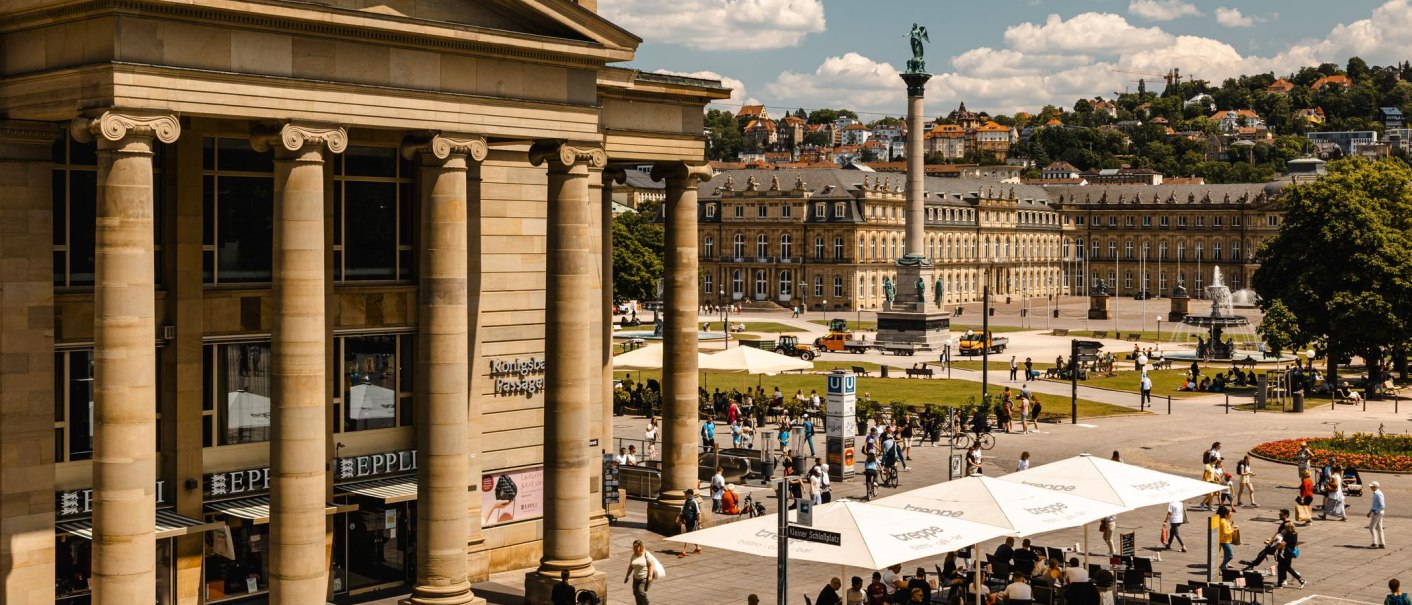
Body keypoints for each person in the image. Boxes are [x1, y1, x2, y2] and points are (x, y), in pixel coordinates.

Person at [624, 540, 656, 605]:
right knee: (635, 593)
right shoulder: (634, 555)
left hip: (644, 578)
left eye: (636, 547)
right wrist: (627, 576)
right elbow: (631, 566)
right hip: (636, 578)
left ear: (640, 546)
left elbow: (651, 565)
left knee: (641, 592)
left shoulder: (646, 554)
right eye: (634, 547)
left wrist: (650, 576)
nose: (635, 549)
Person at [1274, 521, 1305, 589]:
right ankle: (1300, 579)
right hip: (1290, 553)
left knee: (1280, 567)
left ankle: (1279, 584)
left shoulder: (1287, 535)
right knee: (1287, 567)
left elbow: (1282, 544)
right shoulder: (1295, 534)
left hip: (1285, 554)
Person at [675, 489, 702, 557]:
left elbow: (698, 512)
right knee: (691, 535)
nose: (684, 495)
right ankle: (698, 547)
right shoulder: (687, 501)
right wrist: (679, 517)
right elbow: (683, 510)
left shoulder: (694, 502)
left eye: (685, 494)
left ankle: (684, 551)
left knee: (688, 536)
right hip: (687, 521)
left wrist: (699, 523)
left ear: (689, 494)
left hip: (693, 522)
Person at [1217, 505, 1238, 572]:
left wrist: (1232, 525)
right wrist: (1233, 530)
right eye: (1230, 515)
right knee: (1230, 555)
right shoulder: (1223, 521)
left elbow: (1227, 529)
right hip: (1224, 541)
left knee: (1226, 555)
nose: (1231, 516)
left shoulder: (1225, 520)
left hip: (1227, 540)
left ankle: (1223, 568)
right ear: (1226, 515)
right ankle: (1222, 566)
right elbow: (1225, 532)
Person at [1369, 481, 1386, 548]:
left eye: (1371, 486)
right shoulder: (1375, 493)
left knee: (1371, 527)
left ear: (1375, 487)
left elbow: (1382, 505)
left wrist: (1376, 511)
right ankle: (1382, 543)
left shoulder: (1378, 494)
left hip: (1377, 512)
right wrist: (1370, 512)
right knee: (1379, 528)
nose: (1370, 487)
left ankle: (1374, 543)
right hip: (1378, 512)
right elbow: (1374, 505)